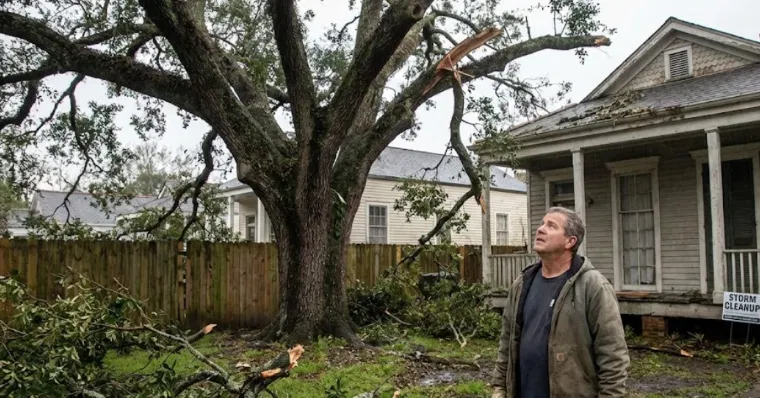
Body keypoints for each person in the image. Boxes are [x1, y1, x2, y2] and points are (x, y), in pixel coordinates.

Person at [490, 206, 629, 397]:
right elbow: (507, 342)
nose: (540, 229)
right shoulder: (523, 283)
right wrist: (499, 388)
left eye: (551, 226)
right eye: (541, 224)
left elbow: (613, 356)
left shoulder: (593, 286)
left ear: (570, 241)